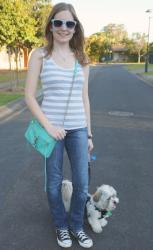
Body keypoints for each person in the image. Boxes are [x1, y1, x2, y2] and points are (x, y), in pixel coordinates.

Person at [25, 2, 93, 248]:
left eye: (69, 23)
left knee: (82, 183)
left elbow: (85, 99)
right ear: (51, 26)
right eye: (59, 22)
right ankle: (61, 226)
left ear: (75, 28)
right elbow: (30, 96)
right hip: (50, 129)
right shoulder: (40, 55)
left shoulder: (82, 59)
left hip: (78, 130)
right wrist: (49, 127)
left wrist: (89, 133)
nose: (64, 27)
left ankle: (76, 226)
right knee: (53, 182)